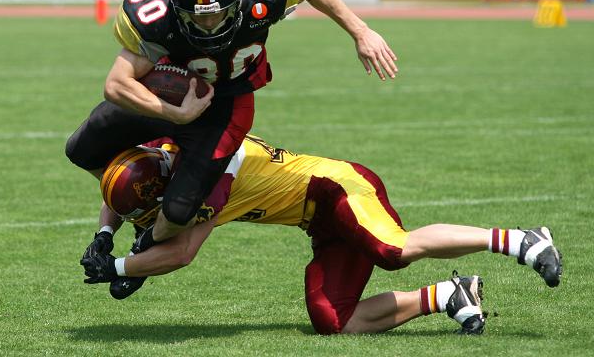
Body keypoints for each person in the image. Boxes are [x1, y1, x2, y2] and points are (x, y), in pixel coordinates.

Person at [66, 0, 399, 253]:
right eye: (197, 16)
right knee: (81, 148)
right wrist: (173, 113)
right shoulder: (154, 13)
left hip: (225, 106)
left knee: (179, 212)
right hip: (172, 92)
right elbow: (116, 84)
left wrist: (361, 31)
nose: (209, 24)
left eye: (216, 14)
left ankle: (145, 243)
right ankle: (146, 193)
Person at [80, 135, 563, 335]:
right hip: (318, 223)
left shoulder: (208, 175)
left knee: (392, 249)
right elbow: (121, 185)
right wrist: (106, 234)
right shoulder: (158, 153)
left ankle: (519, 239)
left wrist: (119, 266)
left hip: (337, 188)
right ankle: (448, 296)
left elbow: (182, 251)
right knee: (333, 320)